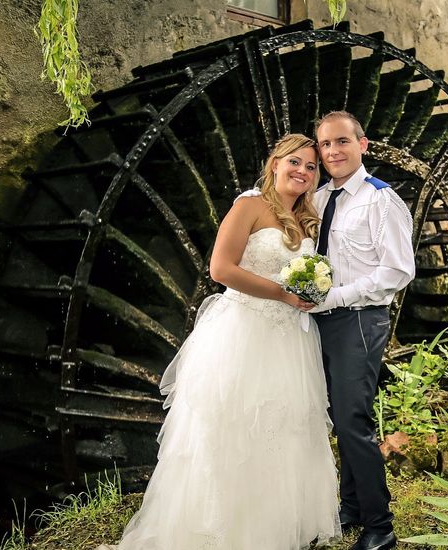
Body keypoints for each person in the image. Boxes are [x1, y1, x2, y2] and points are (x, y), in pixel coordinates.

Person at [101, 133, 341, 549]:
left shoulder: (308, 216)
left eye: (311, 166)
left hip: (289, 338)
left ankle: (270, 530)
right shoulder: (250, 205)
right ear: (274, 163)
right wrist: (284, 293)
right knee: (232, 429)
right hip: (244, 331)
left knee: (283, 429)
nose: (303, 171)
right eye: (295, 162)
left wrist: (309, 292)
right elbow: (220, 269)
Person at [309, 111, 416, 550]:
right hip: (320, 321)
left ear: (362, 145)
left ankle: (380, 527)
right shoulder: (317, 200)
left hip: (359, 319)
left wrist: (334, 297)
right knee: (338, 416)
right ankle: (350, 507)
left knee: (354, 419)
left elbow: (397, 271)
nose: (333, 151)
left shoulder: (381, 200)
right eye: (325, 145)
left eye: (342, 142)